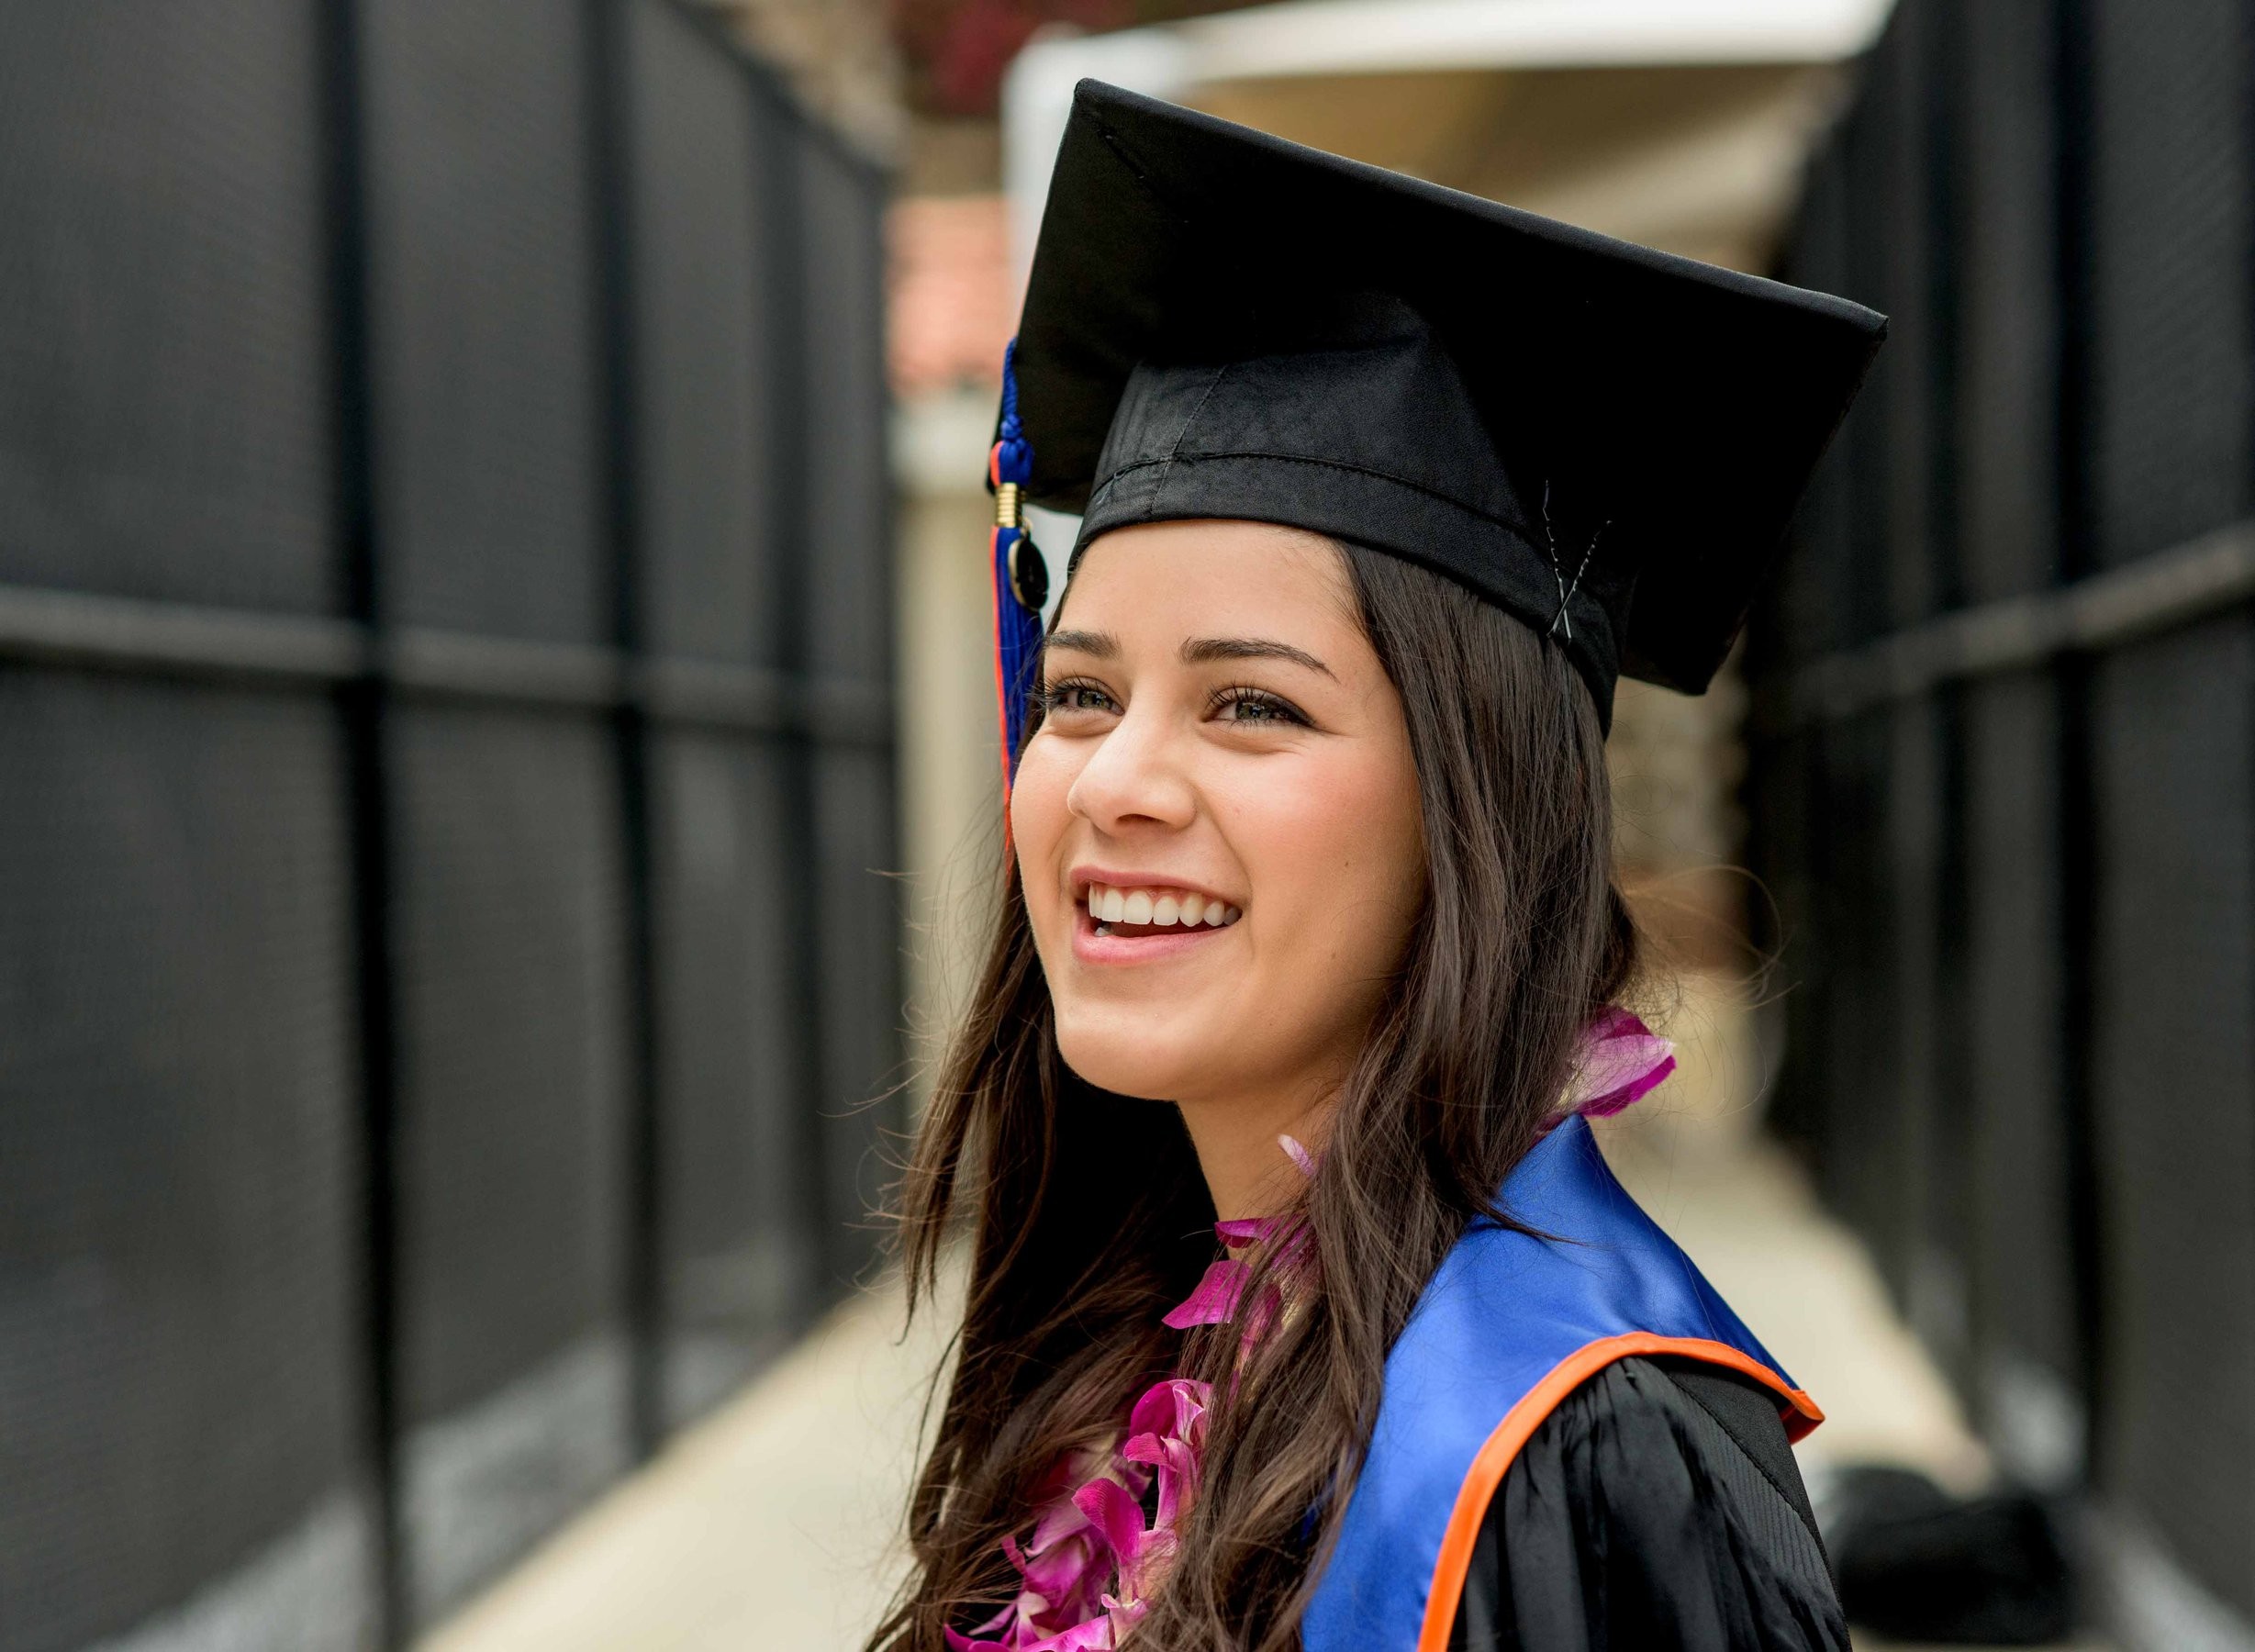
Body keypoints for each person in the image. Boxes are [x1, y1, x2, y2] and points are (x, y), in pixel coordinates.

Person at [870, 82, 1885, 1652]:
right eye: (1078, 692)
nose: (1116, 780)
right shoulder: (1123, 1355)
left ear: (1475, 807)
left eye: (1252, 704)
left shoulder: (1580, 1453)